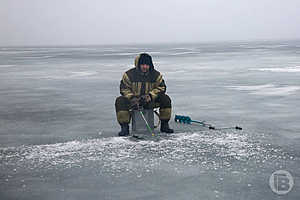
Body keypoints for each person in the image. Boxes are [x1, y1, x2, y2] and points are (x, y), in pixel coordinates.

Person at [115, 53, 174, 136]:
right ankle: (124, 127)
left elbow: (161, 88)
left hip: (149, 101)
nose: (145, 67)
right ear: (138, 65)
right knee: (120, 101)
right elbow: (124, 88)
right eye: (142, 64)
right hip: (134, 102)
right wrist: (132, 98)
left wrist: (150, 96)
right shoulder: (128, 75)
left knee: (165, 99)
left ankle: (164, 125)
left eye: (147, 65)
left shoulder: (156, 75)